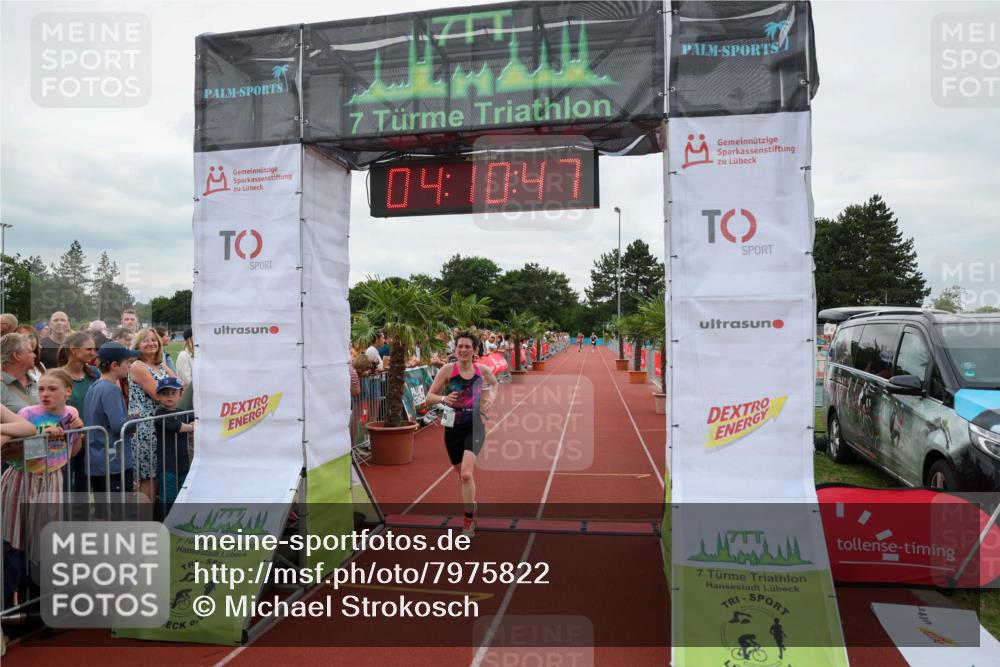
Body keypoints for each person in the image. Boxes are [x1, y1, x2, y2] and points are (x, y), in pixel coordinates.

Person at [2, 369, 83, 604]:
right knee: (13, 538)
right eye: (41, 389)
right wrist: (39, 437)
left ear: (68, 391)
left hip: (53, 480)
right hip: (22, 479)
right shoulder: (27, 414)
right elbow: (8, 455)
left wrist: (77, 434)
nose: (45, 394)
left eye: (52, 389)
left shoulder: (71, 412)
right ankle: (9, 602)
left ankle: (40, 600)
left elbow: (72, 452)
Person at [425, 331, 499, 537]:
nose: (463, 350)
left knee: (466, 474)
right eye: (460, 347)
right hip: (452, 428)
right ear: (455, 349)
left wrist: (491, 399)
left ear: (475, 350)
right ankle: (471, 504)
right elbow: (429, 397)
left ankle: (468, 522)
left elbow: (494, 384)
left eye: (468, 347)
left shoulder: (482, 370)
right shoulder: (448, 370)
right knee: (461, 474)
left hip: (475, 426)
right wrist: (443, 399)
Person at [84, 342, 140, 494]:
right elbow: (119, 426)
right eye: (127, 362)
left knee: (104, 513)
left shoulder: (95, 385)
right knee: (118, 513)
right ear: (115, 365)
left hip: (98, 460)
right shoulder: (111, 389)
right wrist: (136, 420)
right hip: (113, 462)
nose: (129, 366)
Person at [128, 327, 176, 502]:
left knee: (158, 477)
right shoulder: (137, 366)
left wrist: (172, 394)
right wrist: (172, 394)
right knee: (147, 479)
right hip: (145, 429)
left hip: (161, 426)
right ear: (138, 345)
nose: (151, 343)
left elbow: (179, 388)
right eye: (146, 340)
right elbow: (159, 395)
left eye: (154, 340)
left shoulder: (161, 365)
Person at [58, 331, 100, 494]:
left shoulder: (94, 373)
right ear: (73, 350)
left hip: (90, 439)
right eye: (89, 349)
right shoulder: (58, 375)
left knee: (83, 487)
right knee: (65, 485)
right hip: (65, 440)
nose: (93, 353)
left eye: (94, 349)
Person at [152, 376, 193, 516]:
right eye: (165, 393)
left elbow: (195, 421)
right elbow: (177, 426)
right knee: (169, 499)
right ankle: (167, 527)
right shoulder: (160, 414)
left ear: (181, 394)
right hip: (167, 465)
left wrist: (193, 424)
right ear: (158, 396)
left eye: (173, 393)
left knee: (183, 498)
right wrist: (191, 427)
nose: (169, 396)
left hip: (182, 464)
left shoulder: (183, 412)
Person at [1, 333, 39, 414]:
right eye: (30, 351)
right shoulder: (1, 386)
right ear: (17, 356)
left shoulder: (37, 382)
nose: (35, 355)